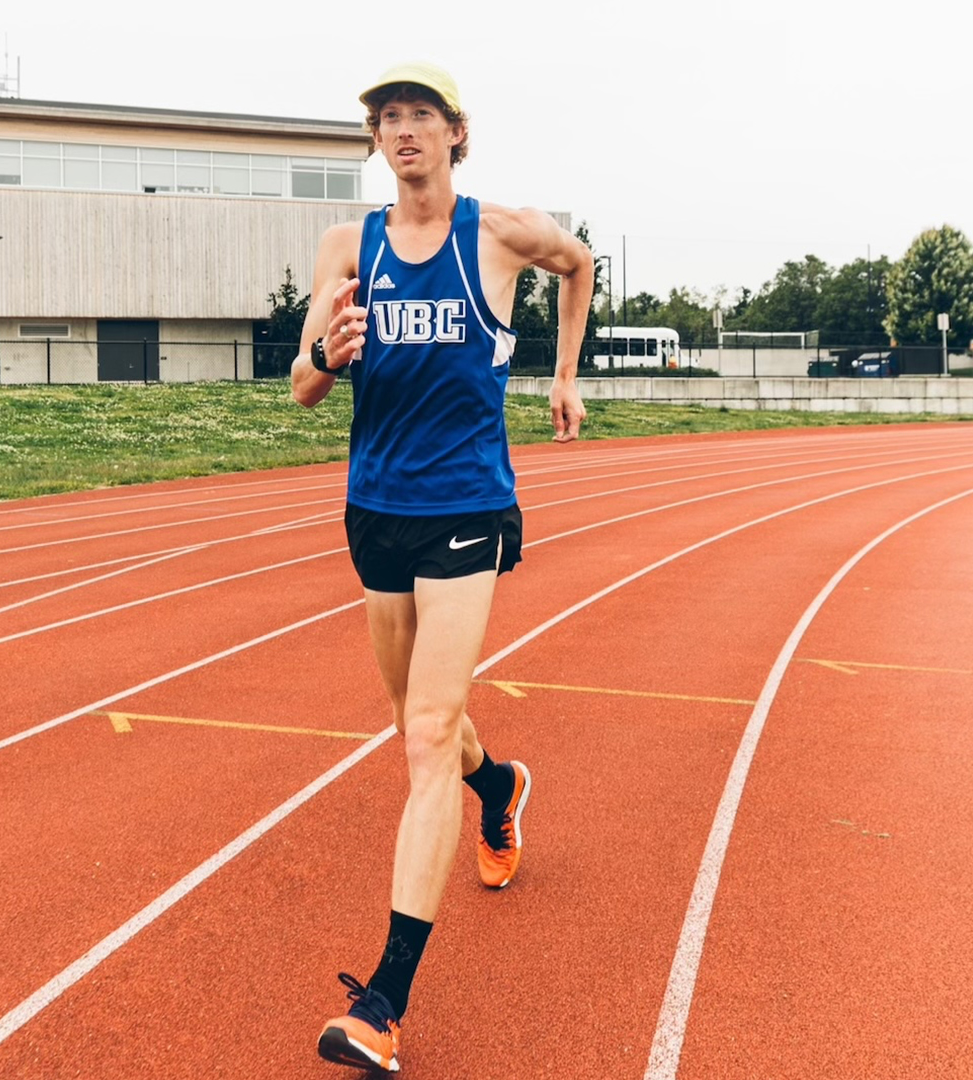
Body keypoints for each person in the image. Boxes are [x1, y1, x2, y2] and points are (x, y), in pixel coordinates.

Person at [290, 61, 589, 1073]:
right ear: (375, 139)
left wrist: (562, 378)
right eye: (387, 117)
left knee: (422, 735)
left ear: (457, 133)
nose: (403, 129)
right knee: (431, 723)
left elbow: (580, 263)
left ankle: (382, 1004)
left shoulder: (499, 234)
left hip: (466, 507)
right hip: (376, 513)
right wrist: (329, 354)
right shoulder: (347, 246)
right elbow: (298, 390)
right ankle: (499, 784)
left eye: (420, 115)